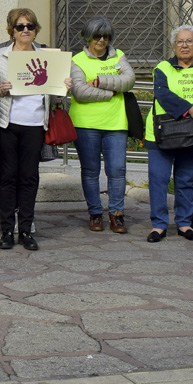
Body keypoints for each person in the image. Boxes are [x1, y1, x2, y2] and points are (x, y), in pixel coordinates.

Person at [0, 8, 72, 251]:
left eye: (30, 26)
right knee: (8, 177)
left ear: (36, 30)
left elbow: (56, 94)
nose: (25, 30)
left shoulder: (47, 56)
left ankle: (25, 229)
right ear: (11, 31)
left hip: (36, 125)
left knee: (29, 177)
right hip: (6, 124)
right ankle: (6, 230)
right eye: (20, 26)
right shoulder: (0, 55)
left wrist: (64, 86)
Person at [144, 24, 193, 243]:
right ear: (174, 46)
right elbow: (163, 95)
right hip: (163, 132)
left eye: (189, 41)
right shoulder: (163, 68)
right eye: (180, 42)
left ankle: (184, 223)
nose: (184, 45)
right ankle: (159, 225)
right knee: (159, 180)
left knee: (186, 180)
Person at [70, 17, 135, 234]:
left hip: (116, 123)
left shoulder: (119, 56)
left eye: (106, 36)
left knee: (117, 171)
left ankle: (116, 214)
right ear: (88, 36)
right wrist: (114, 91)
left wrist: (97, 81)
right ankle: (95, 213)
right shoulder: (77, 60)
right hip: (85, 124)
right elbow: (80, 91)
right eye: (97, 36)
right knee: (90, 171)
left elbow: (129, 80)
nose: (101, 40)